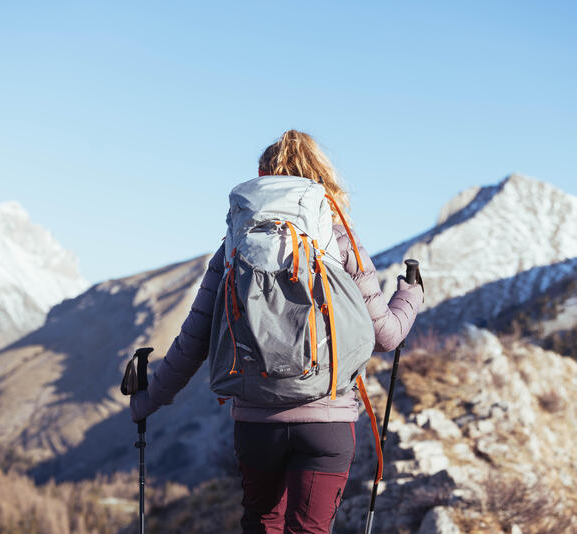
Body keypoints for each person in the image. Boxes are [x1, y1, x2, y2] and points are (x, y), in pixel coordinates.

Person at [130, 129, 423, 534]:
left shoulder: (235, 245)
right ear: (320, 177)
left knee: (262, 523)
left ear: (262, 176)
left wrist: (148, 399)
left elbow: (193, 341)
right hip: (326, 421)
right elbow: (387, 336)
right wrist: (409, 294)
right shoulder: (338, 239)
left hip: (256, 424)